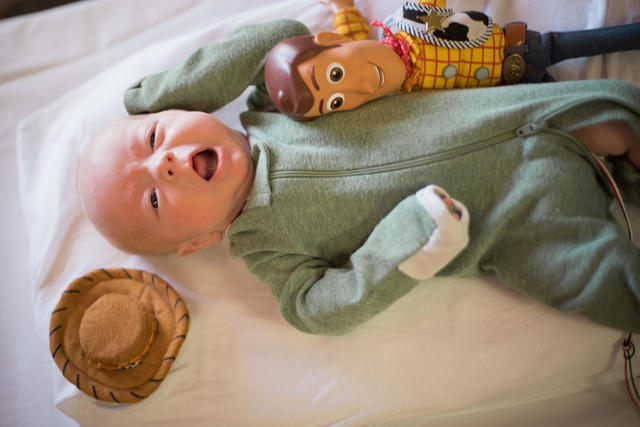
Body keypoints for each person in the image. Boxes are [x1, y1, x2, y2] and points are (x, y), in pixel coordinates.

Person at [78, 18, 640, 336]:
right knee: (614, 288)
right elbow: (315, 309)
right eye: (153, 197)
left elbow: (279, 39)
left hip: (516, 113)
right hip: (509, 219)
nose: (166, 163)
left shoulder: (275, 105)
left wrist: (155, 96)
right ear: (198, 242)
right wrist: (407, 239)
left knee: (623, 113)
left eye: (153, 139)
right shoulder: (267, 245)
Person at [264, 0, 640, 119]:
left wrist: (342, 6)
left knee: (596, 41)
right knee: (593, 111)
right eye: (338, 102)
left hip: (521, 48)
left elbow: (354, 39)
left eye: (335, 73)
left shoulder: (409, 21)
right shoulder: (404, 100)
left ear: (334, 40)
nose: (361, 85)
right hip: (522, 92)